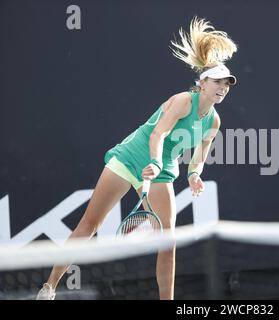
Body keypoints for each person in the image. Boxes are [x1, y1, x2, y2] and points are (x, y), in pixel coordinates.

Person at [36, 16, 238, 300]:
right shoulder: (183, 101)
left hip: (162, 171)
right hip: (132, 157)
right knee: (89, 224)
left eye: (227, 84)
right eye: (217, 81)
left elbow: (199, 157)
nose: (223, 88)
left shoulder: (213, 121)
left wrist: (194, 174)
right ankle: (49, 288)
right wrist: (153, 161)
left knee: (168, 240)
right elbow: (158, 134)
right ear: (203, 83)